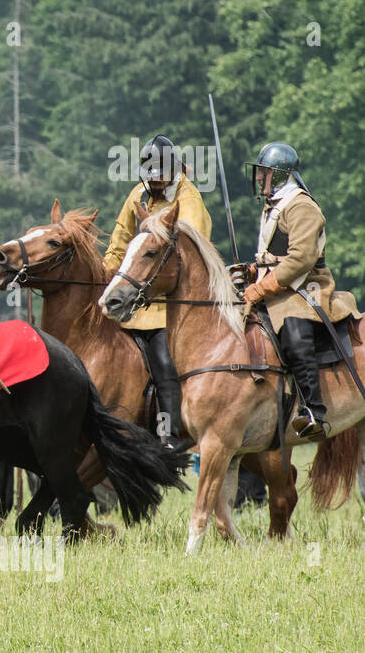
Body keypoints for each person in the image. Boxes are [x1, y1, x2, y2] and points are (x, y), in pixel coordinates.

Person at [231, 142, 357, 440]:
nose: (258, 179)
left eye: (263, 173)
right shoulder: (274, 205)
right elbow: (274, 255)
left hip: (306, 287)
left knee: (293, 328)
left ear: (277, 175)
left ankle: (313, 409)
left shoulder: (300, 205)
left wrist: (260, 287)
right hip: (277, 287)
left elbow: (301, 259)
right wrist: (251, 271)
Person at [102, 135, 212, 451]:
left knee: (164, 363)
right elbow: (120, 241)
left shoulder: (187, 202)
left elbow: (186, 255)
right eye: (148, 172)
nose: (152, 178)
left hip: (170, 300)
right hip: (135, 294)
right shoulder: (137, 194)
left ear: (173, 170)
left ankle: (170, 438)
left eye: (158, 172)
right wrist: (107, 275)